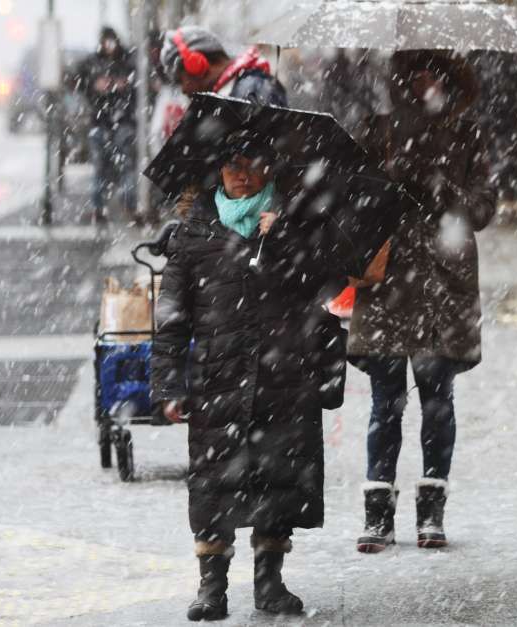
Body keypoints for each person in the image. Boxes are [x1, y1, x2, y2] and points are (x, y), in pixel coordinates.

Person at [150, 129, 344, 621]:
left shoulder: (296, 222)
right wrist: (169, 386)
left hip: (285, 375)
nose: (241, 174)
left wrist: (285, 235)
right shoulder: (193, 233)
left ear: (268, 169)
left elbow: (326, 292)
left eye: (251, 164)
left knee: (279, 478)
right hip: (217, 378)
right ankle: (211, 586)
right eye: (231, 164)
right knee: (213, 483)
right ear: (217, 171)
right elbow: (171, 319)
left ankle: (270, 583)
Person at [347, 51, 496, 553]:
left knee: (437, 401)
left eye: (435, 74)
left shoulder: (467, 134)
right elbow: (350, 197)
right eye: (416, 75)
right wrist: (387, 180)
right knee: (385, 402)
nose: (425, 83)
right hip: (387, 282)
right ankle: (377, 515)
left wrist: (441, 187)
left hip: (442, 284)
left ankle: (432, 510)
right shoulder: (377, 130)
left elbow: (483, 208)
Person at [74, 27, 137, 223]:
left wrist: (121, 86)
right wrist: (94, 84)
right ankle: (101, 207)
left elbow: (136, 87)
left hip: (120, 121)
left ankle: (123, 204)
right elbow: (79, 79)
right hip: (103, 121)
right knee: (102, 166)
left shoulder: (125, 61)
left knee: (123, 165)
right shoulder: (95, 63)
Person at [160, 26, 286, 105]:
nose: (183, 89)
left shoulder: (251, 89)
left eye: (180, 79)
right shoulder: (231, 94)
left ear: (196, 64)